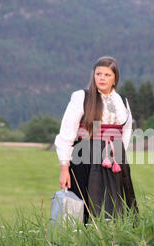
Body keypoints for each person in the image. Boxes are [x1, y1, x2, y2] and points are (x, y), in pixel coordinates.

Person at [54, 56, 139, 223]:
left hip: (114, 162)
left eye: (107, 75)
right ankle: (86, 245)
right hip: (85, 159)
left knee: (116, 208)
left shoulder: (122, 102)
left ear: (115, 79)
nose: (102, 78)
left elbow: (126, 132)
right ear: (93, 76)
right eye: (99, 74)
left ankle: (113, 244)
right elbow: (66, 133)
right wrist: (64, 167)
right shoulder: (82, 97)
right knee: (87, 208)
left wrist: (117, 155)